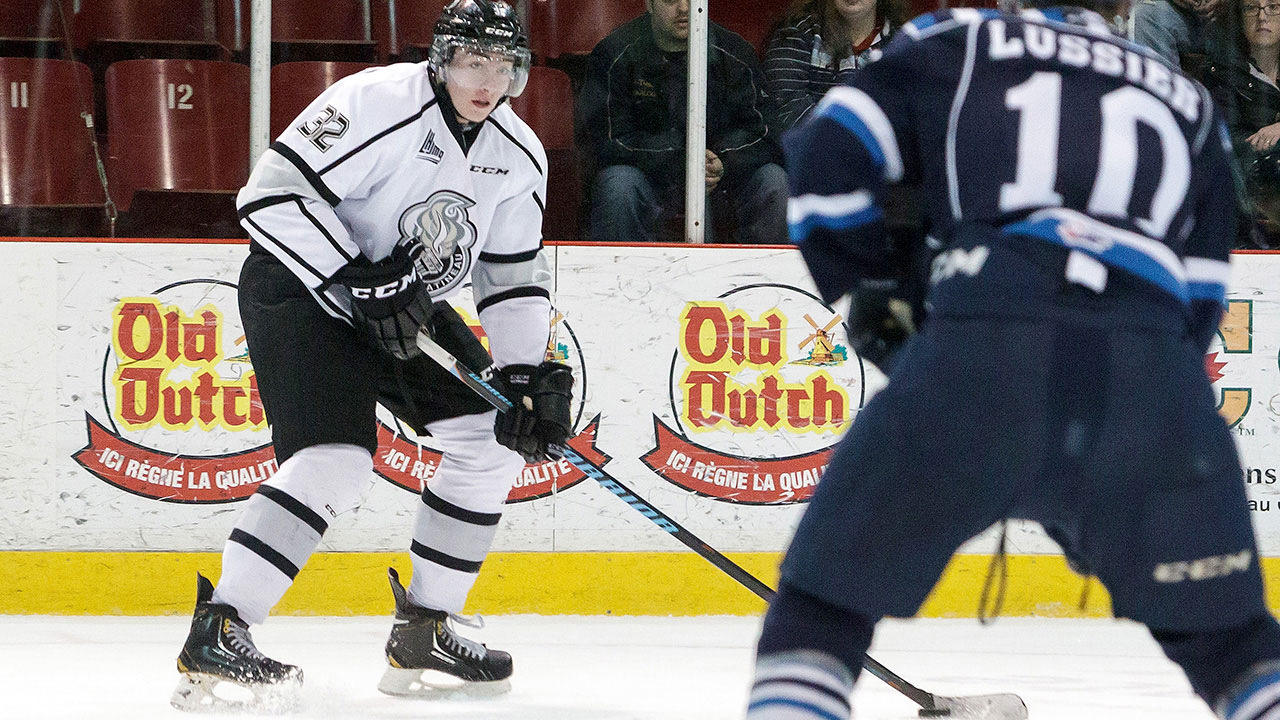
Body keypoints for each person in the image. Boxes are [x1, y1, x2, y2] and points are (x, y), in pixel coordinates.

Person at [744, 1, 1280, 719]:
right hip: (1151, 375)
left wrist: (869, 287)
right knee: (1234, 648)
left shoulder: (954, 42)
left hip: (983, 345)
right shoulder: (1185, 98)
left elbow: (826, 151)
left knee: (819, 614)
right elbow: (1203, 297)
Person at [170, 0, 573, 712]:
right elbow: (268, 197)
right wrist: (357, 274)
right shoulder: (374, 101)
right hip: (304, 291)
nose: (487, 80)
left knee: (490, 441)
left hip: (404, 309)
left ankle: (425, 629)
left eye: (503, 65)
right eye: (472, 62)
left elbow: (509, 276)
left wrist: (521, 374)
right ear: (442, 60)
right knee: (336, 459)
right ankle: (222, 629)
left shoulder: (518, 154)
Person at [576, 0, 789, 244]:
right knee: (618, 185)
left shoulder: (735, 53)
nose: (684, 8)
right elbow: (606, 141)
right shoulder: (614, 54)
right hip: (651, 181)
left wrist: (723, 160)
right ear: (650, 3)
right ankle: (617, 280)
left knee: (774, 181)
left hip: (723, 183)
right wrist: (681, 159)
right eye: (670, 0)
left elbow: (767, 132)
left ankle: (766, 281)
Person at [763, 0, 907, 132]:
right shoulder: (798, 31)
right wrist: (838, 143)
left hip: (877, 152)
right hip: (809, 150)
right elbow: (786, 103)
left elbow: (906, 111)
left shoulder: (902, 41)